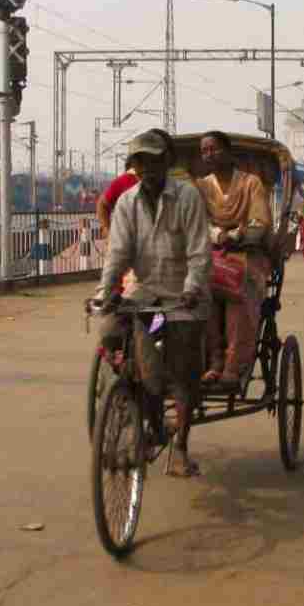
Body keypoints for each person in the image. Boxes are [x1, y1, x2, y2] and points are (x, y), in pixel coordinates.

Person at [94, 130, 210, 477]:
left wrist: (191, 289)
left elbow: (199, 252)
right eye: (139, 162)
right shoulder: (127, 202)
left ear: (166, 162)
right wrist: (106, 291)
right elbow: (118, 252)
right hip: (144, 290)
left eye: (152, 160)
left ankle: (181, 447)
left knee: (182, 369)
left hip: (183, 293)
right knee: (111, 331)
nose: (146, 168)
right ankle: (132, 396)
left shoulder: (187, 196)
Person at [197, 131, 272, 389]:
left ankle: (233, 365)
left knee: (238, 294)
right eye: (205, 151)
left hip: (247, 253)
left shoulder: (251, 183)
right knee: (195, 292)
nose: (209, 155)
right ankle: (212, 360)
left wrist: (239, 236)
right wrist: (218, 235)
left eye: (214, 149)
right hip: (210, 254)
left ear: (229, 153)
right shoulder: (201, 187)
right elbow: (196, 221)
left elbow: (259, 220)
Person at [96, 157, 141, 238]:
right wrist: (107, 229)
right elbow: (102, 204)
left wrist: (106, 229)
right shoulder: (125, 180)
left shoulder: (123, 181)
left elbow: (102, 204)